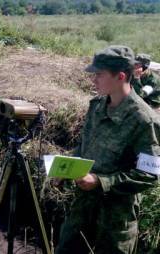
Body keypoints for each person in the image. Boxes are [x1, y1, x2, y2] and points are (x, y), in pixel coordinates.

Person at [55, 46, 160, 254]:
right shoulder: (96, 106)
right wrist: (65, 168)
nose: (94, 80)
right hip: (82, 211)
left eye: (99, 75)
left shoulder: (144, 120)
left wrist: (100, 182)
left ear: (120, 76)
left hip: (115, 219)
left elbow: (150, 174)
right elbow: (85, 146)